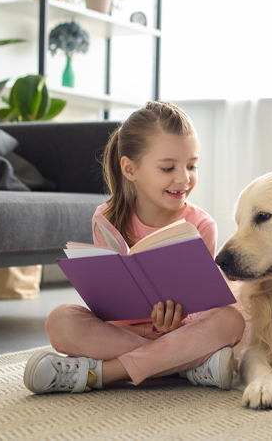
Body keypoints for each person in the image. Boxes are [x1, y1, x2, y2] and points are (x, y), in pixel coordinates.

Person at [23, 101, 245, 394]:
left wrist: (178, 319)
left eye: (192, 165)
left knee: (230, 320)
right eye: (168, 168)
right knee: (60, 319)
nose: (183, 178)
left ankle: (101, 373)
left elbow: (202, 304)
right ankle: (187, 367)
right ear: (130, 169)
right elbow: (106, 302)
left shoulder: (202, 225)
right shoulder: (105, 218)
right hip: (121, 333)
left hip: (179, 332)